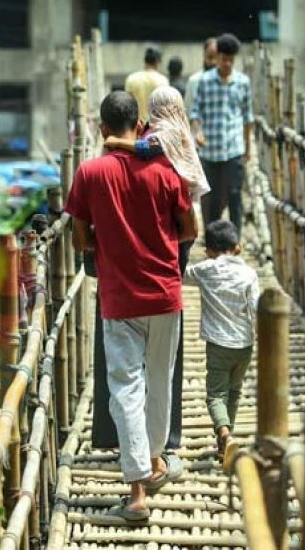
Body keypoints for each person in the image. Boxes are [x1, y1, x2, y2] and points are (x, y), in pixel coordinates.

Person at [64, 91, 197, 521]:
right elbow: (189, 227)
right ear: (139, 127)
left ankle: (137, 491)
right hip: (165, 293)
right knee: (160, 381)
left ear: (103, 130)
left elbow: (80, 236)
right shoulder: (165, 169)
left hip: (120, 297)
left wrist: (105, 243)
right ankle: (155, 462)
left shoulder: (89, 172)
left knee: (125, 390)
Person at [184, 220, 259, 458]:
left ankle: (225, 436)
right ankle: (225, 445)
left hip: (218, 344)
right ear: (238, 247)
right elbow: (256, 308)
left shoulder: (206, 269)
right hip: (244, 344)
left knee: (216, 395)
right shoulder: (249, 273)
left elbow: (180, 275)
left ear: (208, 251)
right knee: (234, 392)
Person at [190, 33, 253, 231]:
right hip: (209, 152)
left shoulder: (243, 82)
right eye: (223, 59)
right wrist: (197, 132)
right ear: (217, 58)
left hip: (233, 150)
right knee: (211, 201)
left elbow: (247, 117)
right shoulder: (205, 81)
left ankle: (235, 243)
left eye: (231, 60)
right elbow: (194, 112)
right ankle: (212, 242)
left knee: (235, 196)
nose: (227, 64)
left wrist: (248, 147)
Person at [104, 86, 211, 200]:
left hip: (171, 193)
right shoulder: (161, 128)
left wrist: (118, 141)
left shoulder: (171, 130)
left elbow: (148, 147)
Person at [125, 46, 169, 124]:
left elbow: (127, 106)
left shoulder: (131, 79)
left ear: (145, 60)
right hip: (155, 128)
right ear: (157, 62)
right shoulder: (163, 81)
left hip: (136, 127)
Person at [185, 37, 218, 111]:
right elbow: (187, 111)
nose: (213, 62)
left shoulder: (230, 83)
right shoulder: (194, 81)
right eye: (210, 57)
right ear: (204, 56)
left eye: (217, 57)